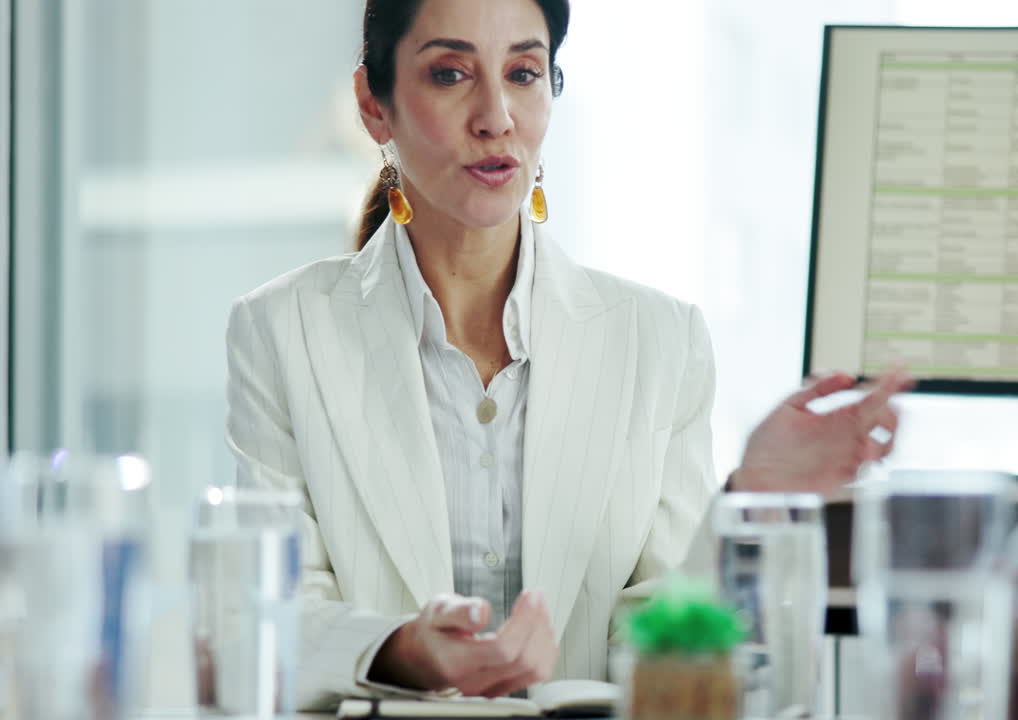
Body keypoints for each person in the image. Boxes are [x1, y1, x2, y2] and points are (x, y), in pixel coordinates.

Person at [224, 0, 912, 710]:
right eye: (451, 72)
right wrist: (403, 650)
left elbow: (657, 641)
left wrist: (749, 503)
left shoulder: (661, 341)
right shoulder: (281, 331)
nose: (496, 116)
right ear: (375, 105)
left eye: (523, 72)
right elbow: (267, 620)